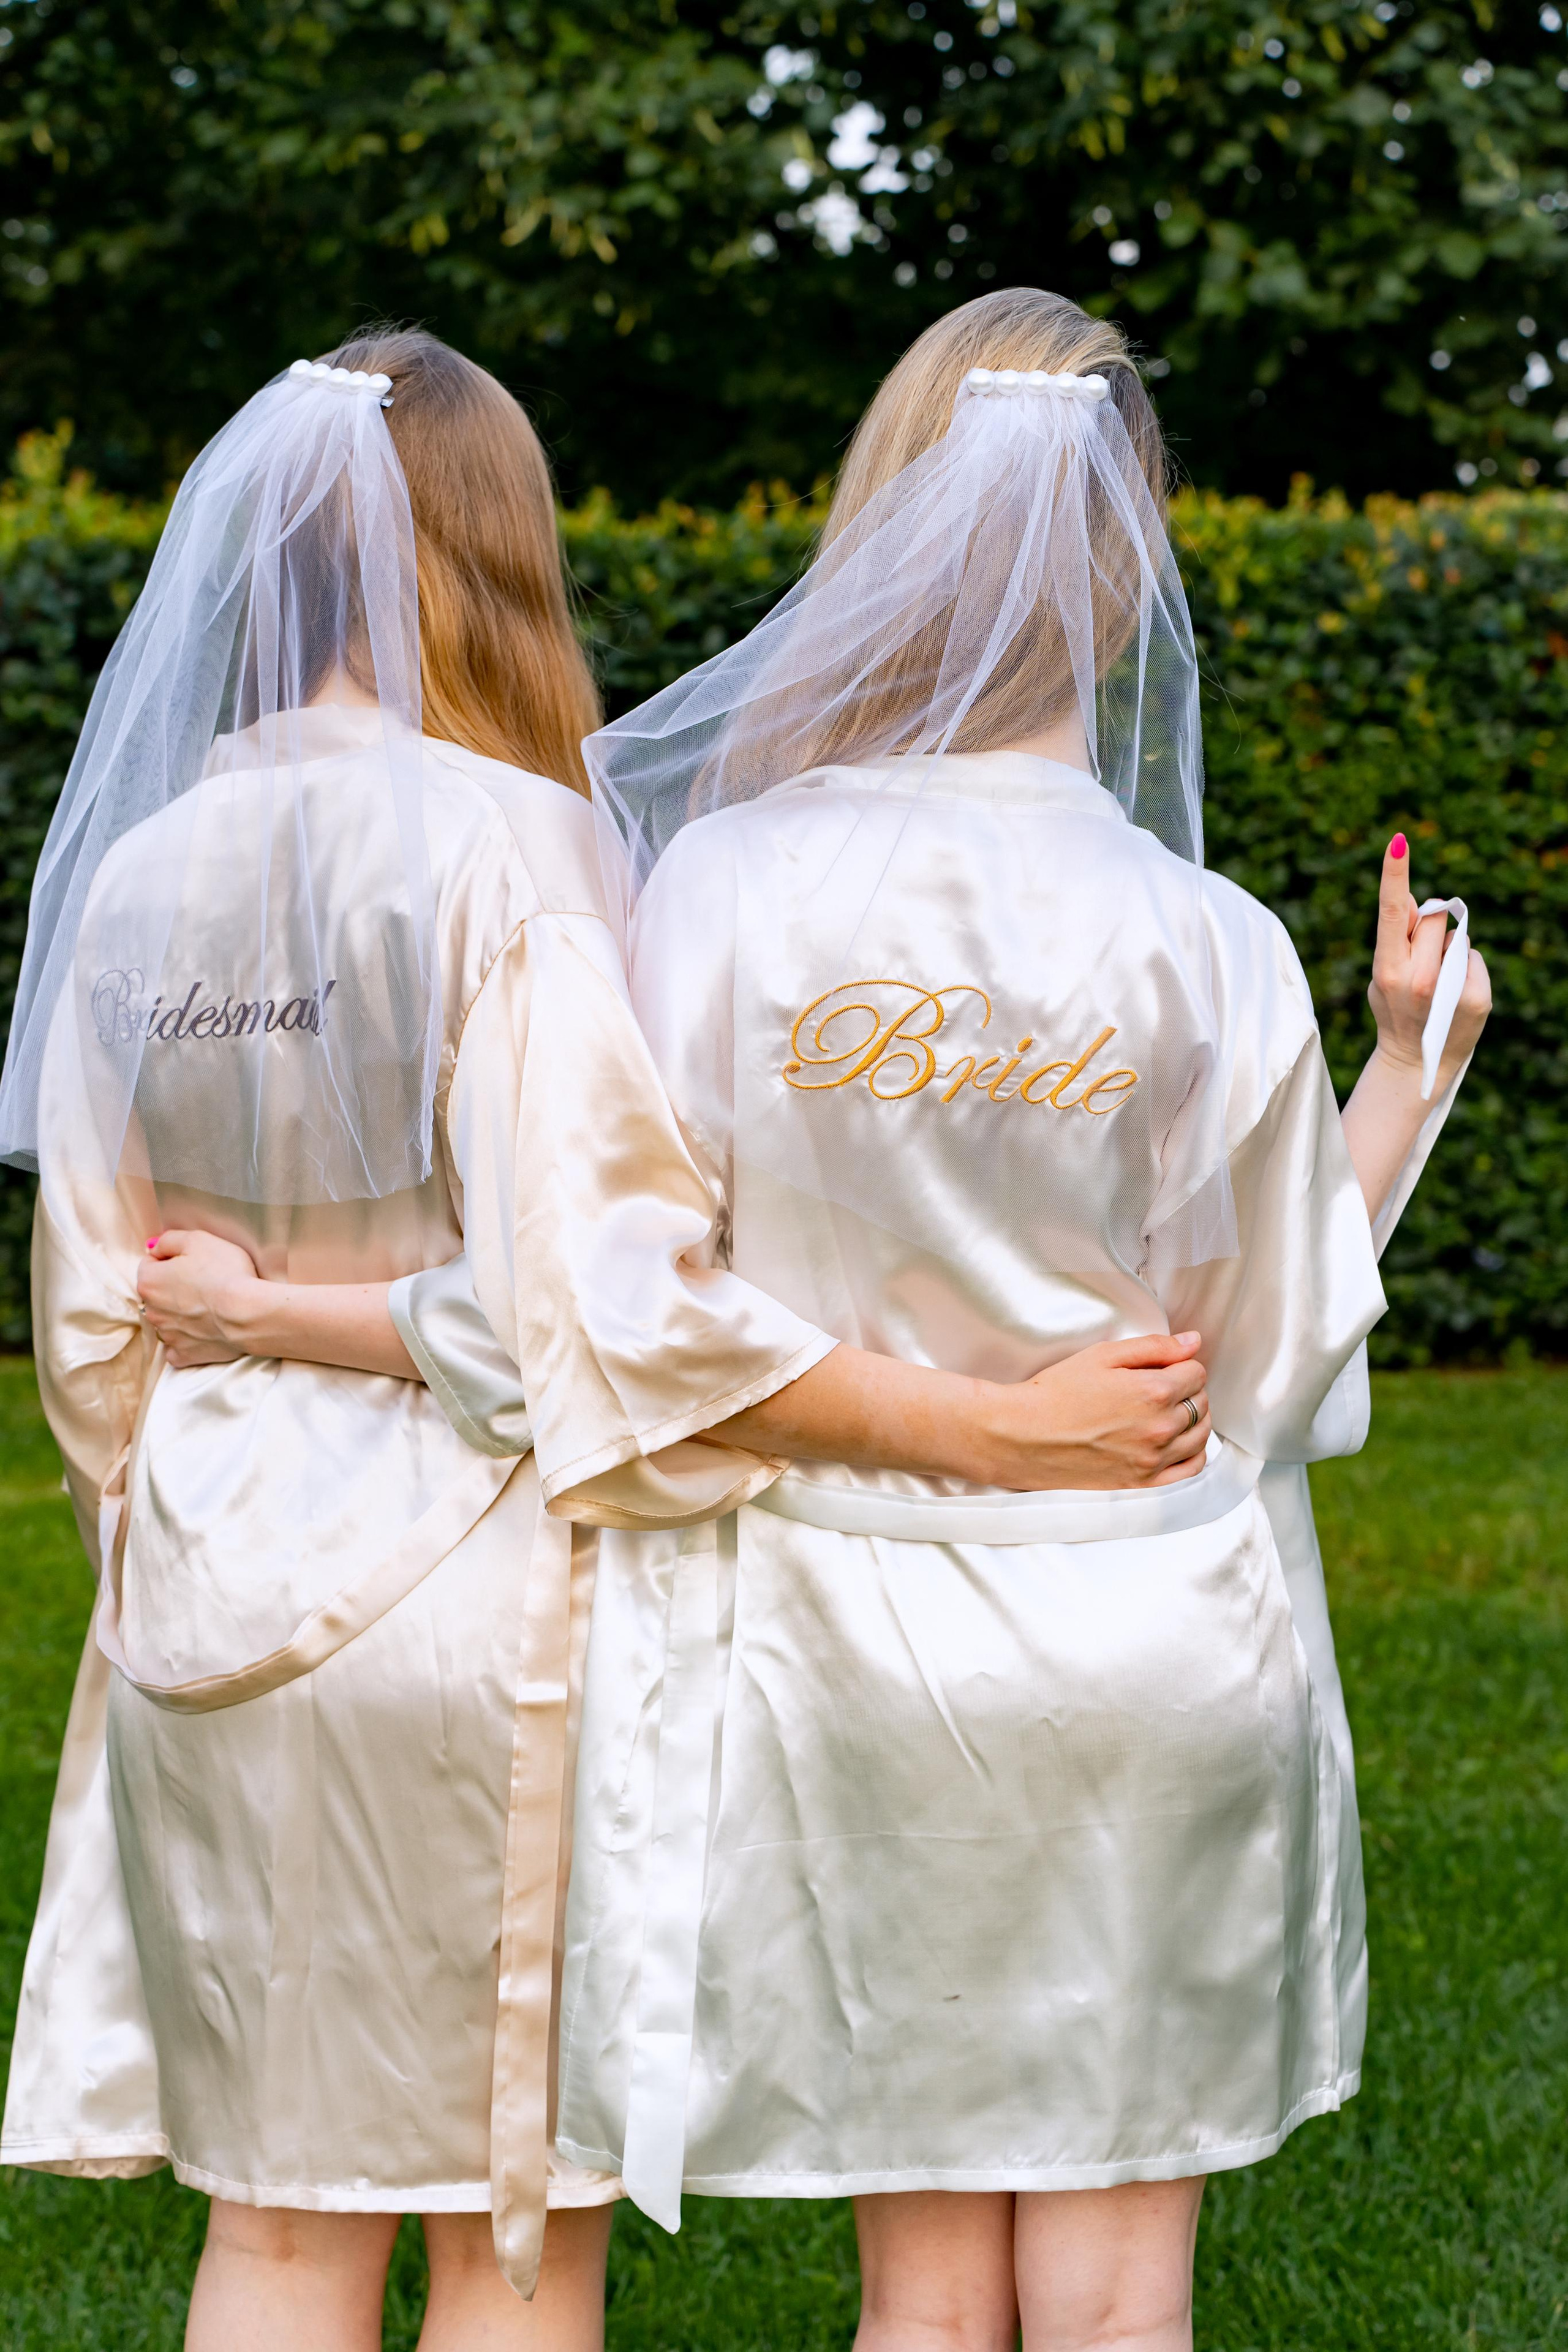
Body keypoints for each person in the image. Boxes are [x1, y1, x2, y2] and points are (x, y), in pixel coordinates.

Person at [137, 290, 1490, 2352]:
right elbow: (1271, 1366)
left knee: (925, 2309)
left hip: (856, 1660)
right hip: (1153, 1648)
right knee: (1124, 2310)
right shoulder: (1205, 946)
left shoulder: (722, 896)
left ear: (883, 538)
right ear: (1129, 584)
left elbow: (596, 1301)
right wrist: (1407, 1070)